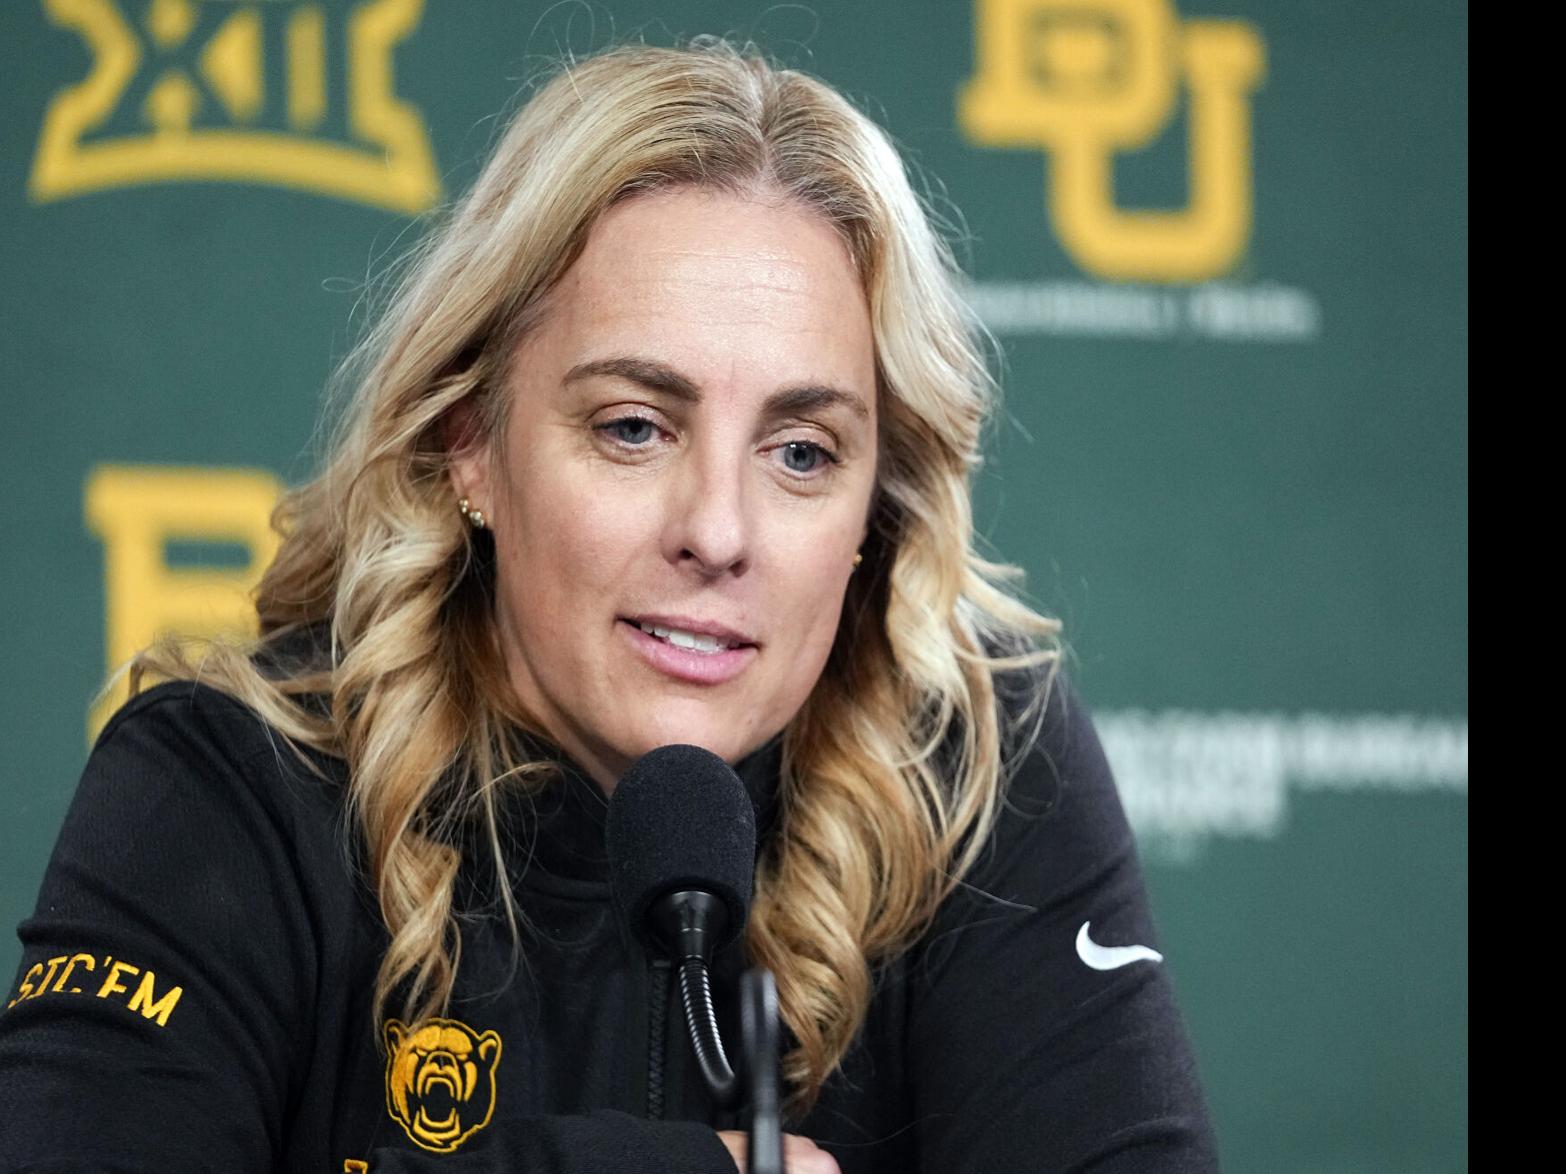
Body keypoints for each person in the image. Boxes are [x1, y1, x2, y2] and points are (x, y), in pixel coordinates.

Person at [0, 40, 1217, 1173]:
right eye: (634, 427)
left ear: (873, 511)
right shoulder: (233, 781)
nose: (718, 532)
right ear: (471, 442)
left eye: (801, 451)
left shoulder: (977, 763)